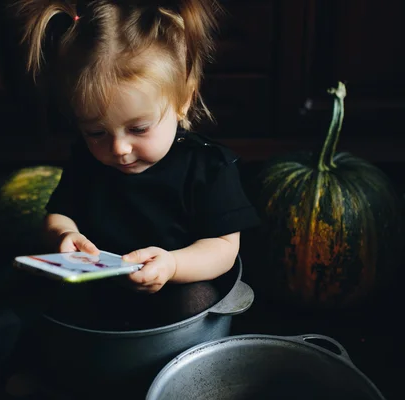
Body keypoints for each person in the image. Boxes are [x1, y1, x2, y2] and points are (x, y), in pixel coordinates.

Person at [17, 0, 260, 330]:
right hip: (100, 289)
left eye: (139, 129)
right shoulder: (86, 160)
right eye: (96, 132)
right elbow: (59, 214)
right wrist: (64, 233)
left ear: (182, 101)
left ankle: (172, 369)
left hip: (173, 288)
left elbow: (223, 249)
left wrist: (172, 265)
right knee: (31, 291)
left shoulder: (209, 167)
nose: (118, 148)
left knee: (198, 298)